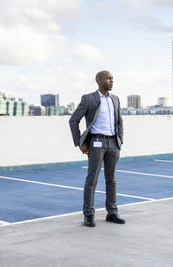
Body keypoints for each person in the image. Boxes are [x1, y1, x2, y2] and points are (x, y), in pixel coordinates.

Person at [69, 70, 125, 227]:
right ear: (99, 80)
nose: (112, 81)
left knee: (111, 180)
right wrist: (80, 142)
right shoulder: (89, 99)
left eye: (113, 78)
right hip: (96, 143)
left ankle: (112, 213)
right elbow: (73, 120)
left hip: (113, 143)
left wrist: (120, 139)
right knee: (92, 180)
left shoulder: (116, 99)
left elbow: (119, 121)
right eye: (108, 78)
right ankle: (88, 215)